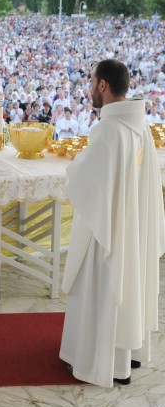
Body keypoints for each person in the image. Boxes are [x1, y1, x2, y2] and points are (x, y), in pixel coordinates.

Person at [59, 59, 165, 387]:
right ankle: (125, 358)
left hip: (106, 231)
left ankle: (96, 363)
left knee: (100, 288)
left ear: (103, 85)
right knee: (127, 284)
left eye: (92, 81)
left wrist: (73, 166)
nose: (91, 87)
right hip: (131, 228)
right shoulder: (141, 127)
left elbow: (85, 180)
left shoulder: (108, 129)